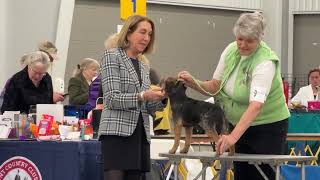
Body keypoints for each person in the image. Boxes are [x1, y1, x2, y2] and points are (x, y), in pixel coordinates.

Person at [178, 12, 290, 180]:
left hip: (267, 129)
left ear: (260, 39)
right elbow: (215, 86)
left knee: (261, 176)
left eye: (249, 41)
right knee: (241, 174)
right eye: (239, 39)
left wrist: (232, 137)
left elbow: (256, 105)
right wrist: (194, 82)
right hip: (237, 125)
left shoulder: (265, 62)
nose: (243, 45)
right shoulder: (231, 50)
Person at [99, 15, 166, 180]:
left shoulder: (143, 65)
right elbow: (111, 99)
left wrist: (162, 98)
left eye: (149, 34)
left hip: (139, 137)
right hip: (117, 136)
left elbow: (147, 107)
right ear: (128, 33)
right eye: (142, 32)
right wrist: (143, 95)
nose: (146, 38)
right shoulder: (112, 56)